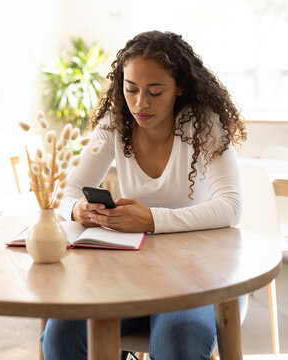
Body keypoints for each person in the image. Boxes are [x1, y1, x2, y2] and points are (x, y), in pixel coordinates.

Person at [42, 30, 246, 360]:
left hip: (198, 273)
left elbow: (230, 207)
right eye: (131, 89)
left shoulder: (204, 124)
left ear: (180, 87)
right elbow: (65, 192)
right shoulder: (114, 123)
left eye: (155, 91)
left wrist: (151, 219)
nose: (140, 103)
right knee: (61, 336)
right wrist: (78, 209)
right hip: (129, 271)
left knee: (179, 342)